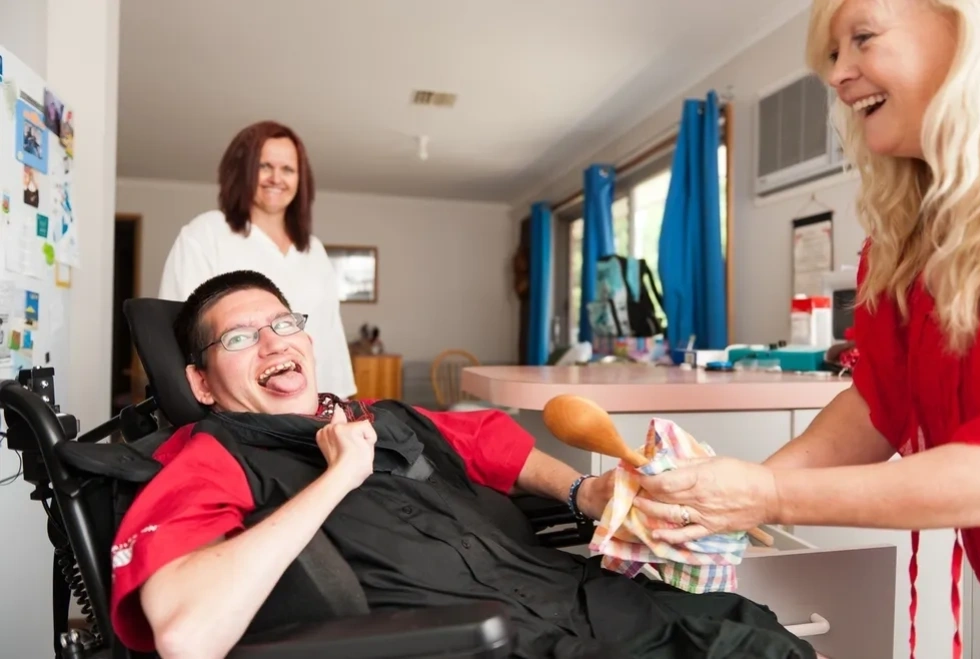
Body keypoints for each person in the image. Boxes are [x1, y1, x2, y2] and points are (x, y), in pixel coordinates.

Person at [108, 270, 818, 659]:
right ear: (201, 383)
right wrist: (336, 481)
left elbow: (484, 440)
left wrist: (585, 487)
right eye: (240, 336)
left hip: (582, 600)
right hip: (479, 641)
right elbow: (185, 632)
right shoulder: (212, 456)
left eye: (284, 323)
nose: (272, 343)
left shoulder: (375, 414)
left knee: (756, 633)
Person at [635, 0, 974, 648]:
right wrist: (726, 500)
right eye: (833, 55)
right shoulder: (907, 243)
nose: (840, 74)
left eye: (863, 39)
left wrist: (769, 495)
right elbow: (877, 404)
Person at [158, 120, 356, 399]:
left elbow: (331, 336)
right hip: (239, 411)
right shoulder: (205, 234)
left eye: (288, 169)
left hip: (313, 407)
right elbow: (177, 336)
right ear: (243, 172)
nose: (276, 178)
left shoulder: (313, 250)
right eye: (265, 166)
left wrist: (339, 403)